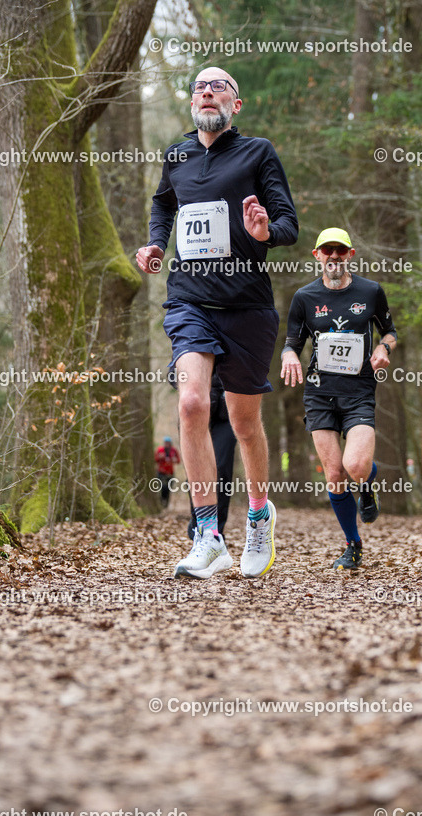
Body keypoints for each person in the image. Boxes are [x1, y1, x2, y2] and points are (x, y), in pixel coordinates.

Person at [136, 67, 298, 579]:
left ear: (236, 104)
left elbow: (289, 224)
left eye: (219, 86)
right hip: (189, 300)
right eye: (200, 88)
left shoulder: (258, 153)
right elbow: (163, 204)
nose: (207, 91)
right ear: (192, 104)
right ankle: (207, 534)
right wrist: (156, 243)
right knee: (191, 403)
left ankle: (259, 516)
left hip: (247, 304)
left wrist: (264, 230)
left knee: (245, 424)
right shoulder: (177, 156)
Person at [280, 227, 397, 571]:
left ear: (350, 255)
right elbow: (291, 343)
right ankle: (353, 544)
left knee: (355, 466)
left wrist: (383, 347)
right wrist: (289, 355)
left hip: (358, 392)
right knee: (334, 474)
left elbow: (390, 332)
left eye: (340, 251)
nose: (334, 256)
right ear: (317, 255)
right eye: (327, 250)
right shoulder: (304, 297)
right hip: (319, 393)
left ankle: (367, 485)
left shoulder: (371, 291)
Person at [186, 372, 236, 542]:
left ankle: (216, 532)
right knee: (196, 468)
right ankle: (198, 525)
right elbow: (174, 371)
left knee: (221, 469)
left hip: (227, 411)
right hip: (196, 408)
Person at [154, 436, 181, 507]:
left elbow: (178, 460)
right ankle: (161, 502)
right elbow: (155, 459)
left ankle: (166, 504)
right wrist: (160, 457)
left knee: (168, 489)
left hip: (170, 473)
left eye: (168, 443)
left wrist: (174, 460)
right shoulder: (160, 450)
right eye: (165, 443)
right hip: (161, 472)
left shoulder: (174, 451)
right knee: (162, 488)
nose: (167, 444)